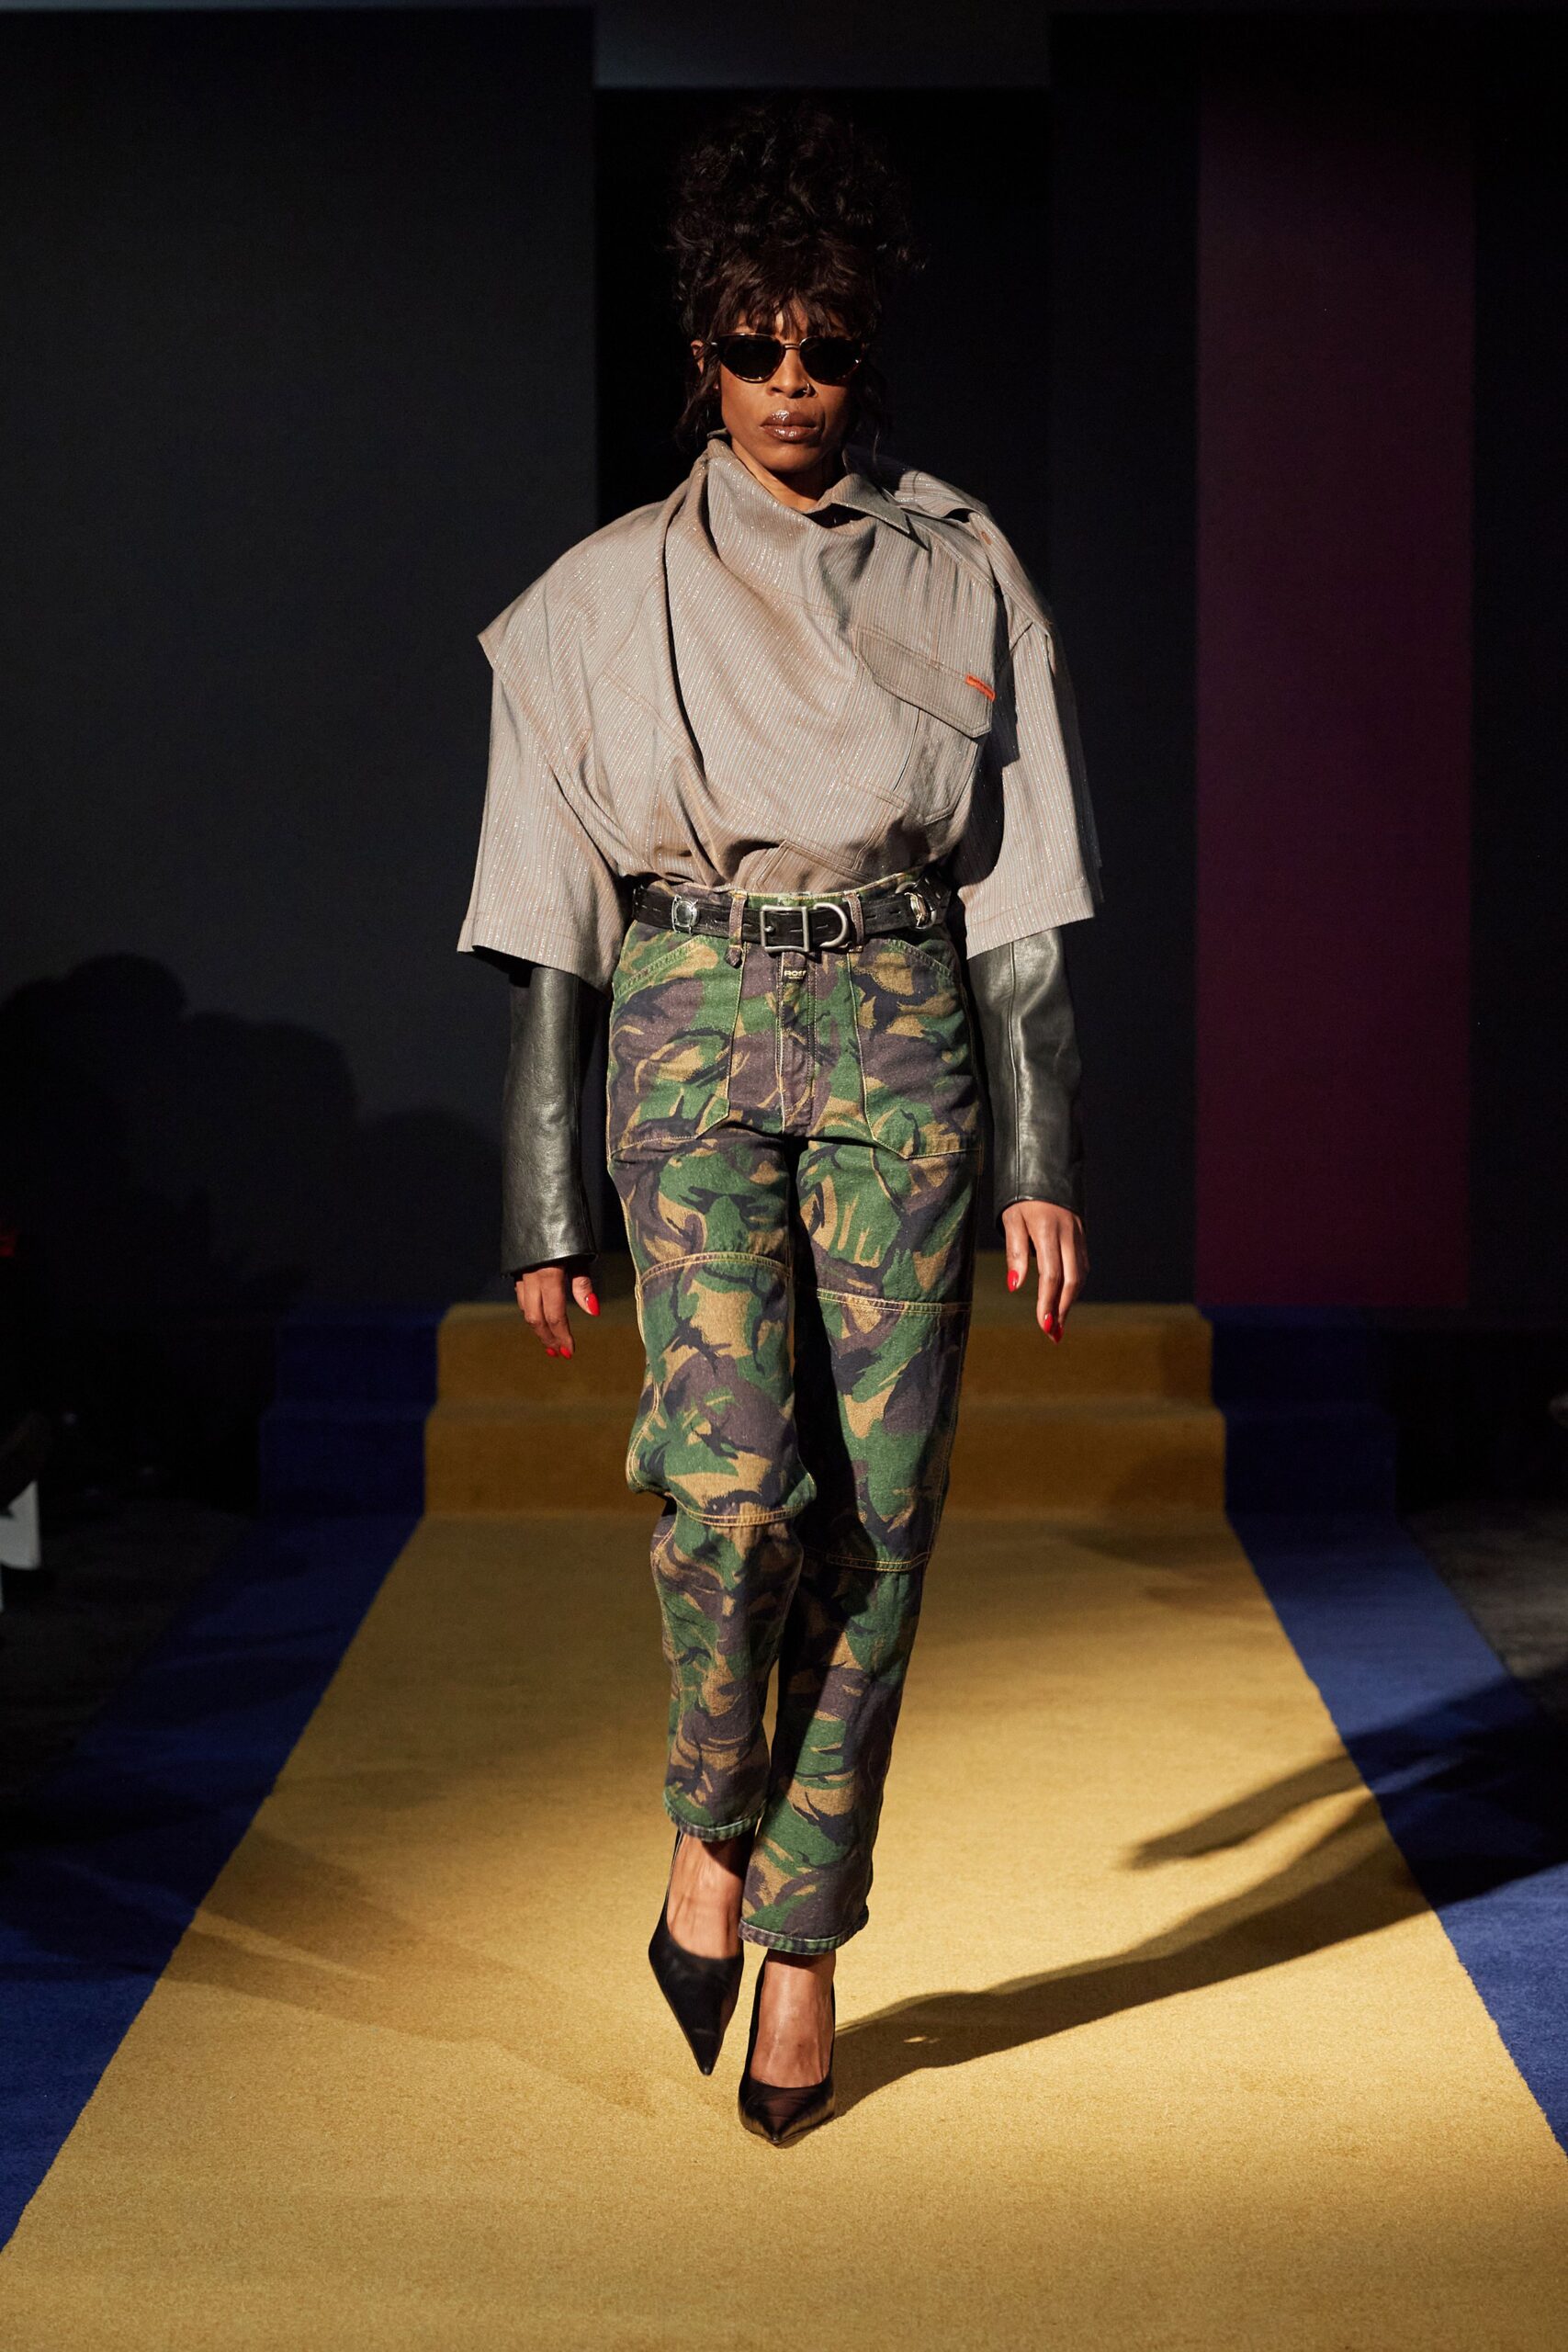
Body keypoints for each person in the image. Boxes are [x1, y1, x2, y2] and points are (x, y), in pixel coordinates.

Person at [457, 97, 1102, 2146]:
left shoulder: (960, 569)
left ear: (864, 344)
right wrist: (542, 1197)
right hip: (690, 1016)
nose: (793, 382)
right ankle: (704, 1812)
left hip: (905, 1022)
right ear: (705, 351)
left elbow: (1020, 883)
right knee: (737, 1489)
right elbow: (543, 914)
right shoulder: (590, 603)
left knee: (883, 1505)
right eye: (757, 345)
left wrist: (1043, 1153)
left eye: (825, 346)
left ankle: (805, 1936)